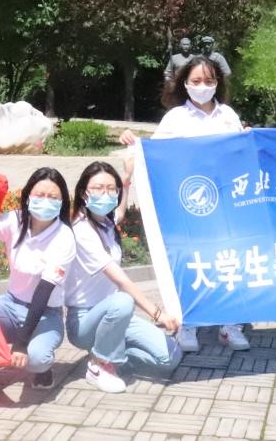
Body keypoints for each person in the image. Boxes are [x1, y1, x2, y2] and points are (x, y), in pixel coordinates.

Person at [118, 55, 248, 351]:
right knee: (192, 259)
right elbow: (154, 154)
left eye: (209, 81)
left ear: (218, 82)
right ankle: (187, 323)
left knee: (228, 257)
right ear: (185, 84)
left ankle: (230, 323)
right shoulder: (176, 118)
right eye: (196, 81)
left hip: (226, 202)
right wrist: (134, 144)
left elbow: (240, 153)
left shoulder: (228, 115)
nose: (203, 86)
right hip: (189, 202)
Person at [0, 167, 77, 396]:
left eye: (53, 197)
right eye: (40, 195)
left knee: (37, 359)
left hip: (45, 313)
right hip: (11, 305)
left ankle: (43, 369)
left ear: (62, 202)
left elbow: (44, 291)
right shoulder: (16, 220)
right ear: (28, 195)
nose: (46, 201)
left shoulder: (64, 237)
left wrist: (21, 344)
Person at [66, 161, 182, 392]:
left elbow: (119, 212)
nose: (105, 194)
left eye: (111, 189)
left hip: (117, 316)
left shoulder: (105, 222)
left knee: (170, 357)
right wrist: (156, 313)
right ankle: (99, 364)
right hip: (85, 320)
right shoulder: (81, 230)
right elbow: (121, 280)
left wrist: (127, 179)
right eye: (98, 188)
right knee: (123, 300)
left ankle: (114, 352)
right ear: (83, 192)